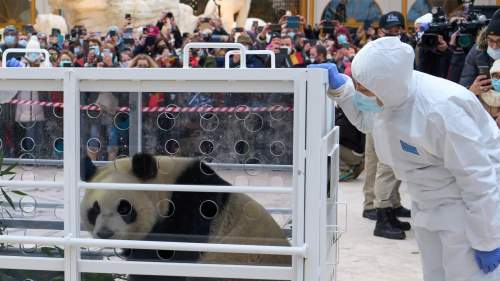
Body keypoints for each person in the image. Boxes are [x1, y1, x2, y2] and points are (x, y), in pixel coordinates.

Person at [311, 36, 500, 280]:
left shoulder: (441, 109)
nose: (360, 93)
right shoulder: (392, 99)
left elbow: (477, 177)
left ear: (387, 86)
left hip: (465, 210)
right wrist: (342, 89)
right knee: (435, 274)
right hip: (426, 203)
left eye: (364, 89)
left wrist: (487, 238)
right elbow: (369, 120)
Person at [359, 11, 411, 241]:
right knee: (379, 161)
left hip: (394, 109)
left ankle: (391, 206)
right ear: (380, 31)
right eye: (389, 29)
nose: (393, 33)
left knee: (392, 161)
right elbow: (360, 83)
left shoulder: (403, 49)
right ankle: (375, 208)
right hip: (377, 110)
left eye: (397, 29)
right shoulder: (371, 52)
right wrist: (381, 96)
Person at [460, 9, 500, 96]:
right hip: (485, 104)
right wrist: (471, 90)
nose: (494, 46)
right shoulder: (477, 52)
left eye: (499, 42)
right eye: (490, 40)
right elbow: (464, 84)